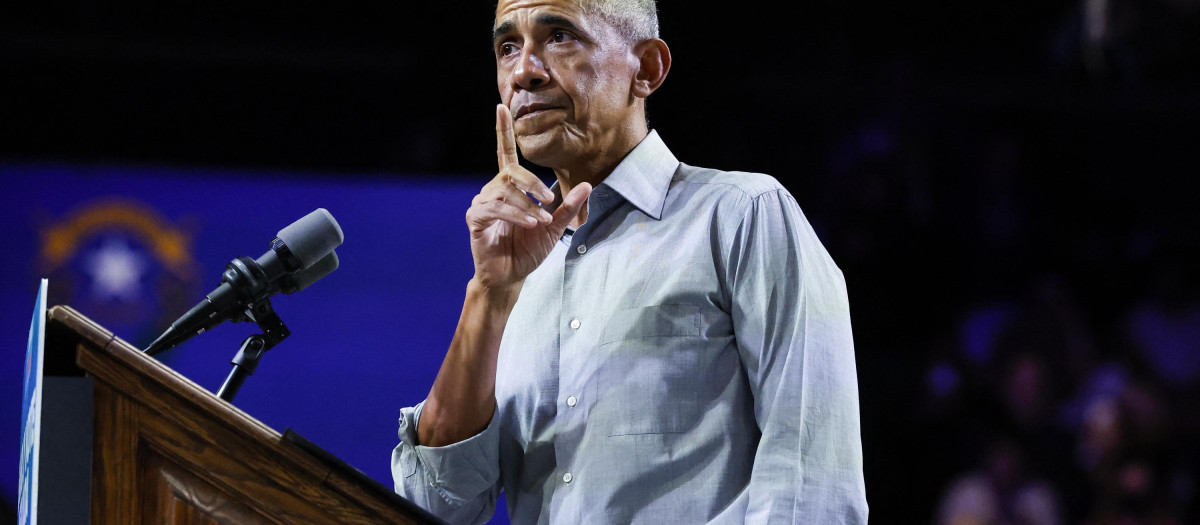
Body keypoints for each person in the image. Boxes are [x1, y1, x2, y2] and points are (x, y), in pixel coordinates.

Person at [391, 1, 868, 523]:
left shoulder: (741, 214)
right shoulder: (515, 272)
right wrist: (489, 293)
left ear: (647, 68)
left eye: (560, 37)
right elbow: (433, 508)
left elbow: (812, 484)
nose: (524, 71)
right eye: (508, 47)